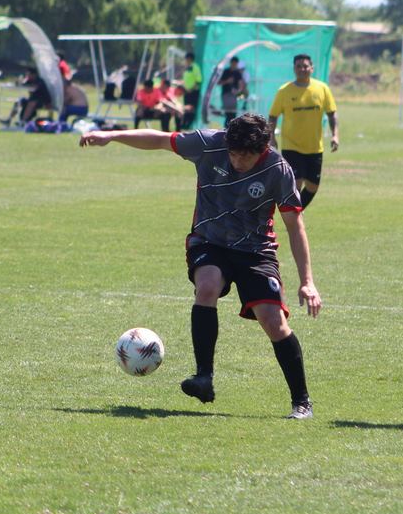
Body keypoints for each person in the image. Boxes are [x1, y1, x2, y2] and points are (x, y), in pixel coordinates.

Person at [79, 113, 322, 419]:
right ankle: (203, 376)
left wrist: (307, 281)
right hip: (209, 242)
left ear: (262, 150)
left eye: (245, 157)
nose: (237, 161)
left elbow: (295, 226)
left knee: (274, 322)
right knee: (207, 286)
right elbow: (160, 140)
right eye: (233, 154)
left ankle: (301, 401)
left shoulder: (278, 169)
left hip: (255, 252)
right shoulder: (208, 143)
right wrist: (112, 136)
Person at [268, 53, 339, 209]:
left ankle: (297, 211)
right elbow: (273, 116)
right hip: (291, 146)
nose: (302, 69)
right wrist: (271, 137)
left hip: (315, 147)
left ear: (312, 68)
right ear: (294, 69)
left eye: (305, 66)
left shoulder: (322, 88)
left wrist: (335, 135)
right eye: (298, 66)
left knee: (313, 186)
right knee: (296, 183)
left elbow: (332, 113)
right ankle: (294, 215)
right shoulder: (284, 91)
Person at [217, 56, 248, 125]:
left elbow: (240, 84)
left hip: (234, 95)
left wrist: (238, 91)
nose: (234, 65)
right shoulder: (226, 71)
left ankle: (230, 126)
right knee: (228, 112)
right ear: (230, 63)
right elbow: (218, 82)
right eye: (233, 63)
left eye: (235, 63)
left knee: (233, 113)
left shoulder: (237, 73)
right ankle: (227, 126)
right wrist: (227, 81)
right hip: (226, 94)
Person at [180, 52, 203, 130]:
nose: (185, 60)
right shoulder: (187, 68)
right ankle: (184, 125)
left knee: (192, 109)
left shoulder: (195, 67)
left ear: (190, 59)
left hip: (193, 92)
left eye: (186, 58)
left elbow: (198, 80)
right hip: (187, 91)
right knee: (186, 108)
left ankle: (188, 125)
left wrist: (191, 89)